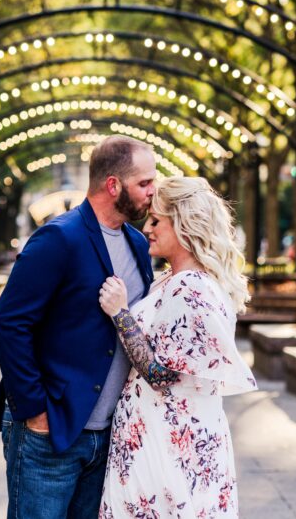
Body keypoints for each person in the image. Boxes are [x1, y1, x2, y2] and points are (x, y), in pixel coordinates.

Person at [0, 135, 157, 519]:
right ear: (113, 185)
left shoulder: (137, 244)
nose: (153, 192)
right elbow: (8, 322)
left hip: (108, 435)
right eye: (144, 183)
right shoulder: (59, 237)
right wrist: (35, 412)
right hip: (50, 434)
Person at [97, 177, 257, 519]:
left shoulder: (192, 289)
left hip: (169, 442)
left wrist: (120, 314)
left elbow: (160, 374)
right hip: (157, 433)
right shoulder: (172, 280)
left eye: (157, 220)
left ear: (183, 225)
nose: (148, 227)